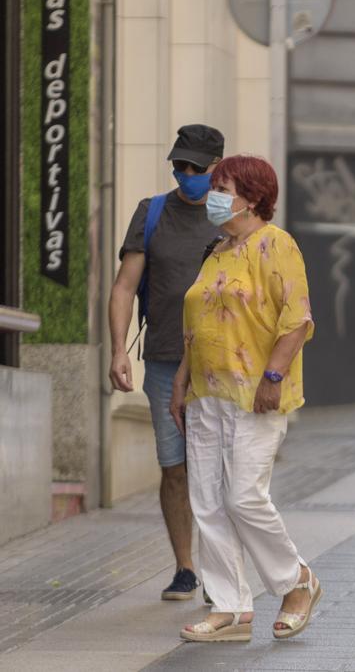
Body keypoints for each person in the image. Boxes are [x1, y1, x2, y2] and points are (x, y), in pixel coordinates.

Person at [170, 154, 319, 642]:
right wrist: (181, 382)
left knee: (243, 498)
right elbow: (198, 325)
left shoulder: (276, 244)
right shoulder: (217, 250)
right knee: (207, 502)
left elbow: (295, 319)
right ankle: (231, 608)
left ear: (252, 197)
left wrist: (273, 375)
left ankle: (296, 581)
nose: (214, 196)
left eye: (223, 187)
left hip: (255, 391)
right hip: (205, 392)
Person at [108, 124, 224, 602]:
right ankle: (185, 566)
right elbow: (124, 287)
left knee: (217, 470)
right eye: (181, 166)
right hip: (162, 358)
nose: (188, 175)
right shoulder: (152, 212)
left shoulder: (232, 216)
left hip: (221, 363)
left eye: (198, 168)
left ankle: (222, 573)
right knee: (174, 467)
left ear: (218, 167)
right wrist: (117, 350)